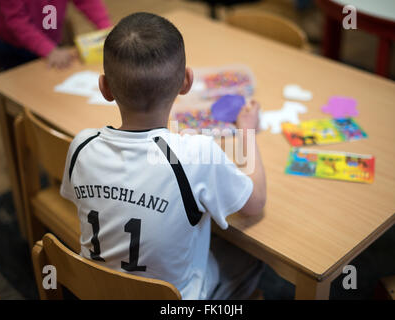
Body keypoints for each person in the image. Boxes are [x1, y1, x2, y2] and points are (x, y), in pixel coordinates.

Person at [60, 12, 267, 300]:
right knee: (253, 257)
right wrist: (247, 133)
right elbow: (254, 204)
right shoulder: (197, 154)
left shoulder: (80, 146)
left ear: (105, 87)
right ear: (187, 81)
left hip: (96, 291)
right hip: (174, 302)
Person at [0, 0, 111, 70]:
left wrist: (106, 28)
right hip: (16, 51)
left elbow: (86, 1)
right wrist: (49, 50)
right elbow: (17, 21)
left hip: (51, 42)